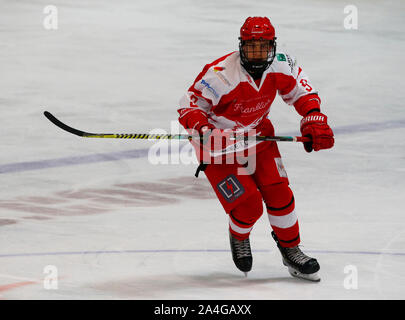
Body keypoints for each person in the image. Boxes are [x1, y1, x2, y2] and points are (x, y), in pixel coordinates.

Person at [177, 16, 334, 281]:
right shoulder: (220, 74)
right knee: (249, 206)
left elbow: (302, 94)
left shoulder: (282, 64)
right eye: (251, 47)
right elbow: (189, 105)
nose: (258, 53)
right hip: (219, 146)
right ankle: (239, 236)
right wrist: (202, 128)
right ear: (241, 46)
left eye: (263, 47)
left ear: (272, 46)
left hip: (258, 137)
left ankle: (291, 249)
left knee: (279, 192)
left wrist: (314, 118)